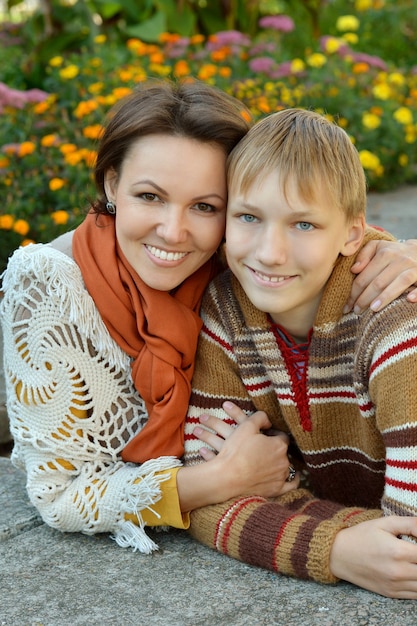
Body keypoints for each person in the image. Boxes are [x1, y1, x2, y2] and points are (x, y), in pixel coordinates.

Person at [1, 80, 417, 555]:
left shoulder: (235, 268)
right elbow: (60, 497)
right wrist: (219, 479)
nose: (174, 232)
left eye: (204, 206)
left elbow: (320, 230)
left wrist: (398, 253)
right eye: (149, 196)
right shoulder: (51, 286)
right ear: (112, 184)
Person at [183, 108, 417, 599]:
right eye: (249, 217)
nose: (269, 252)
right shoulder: (225, 312)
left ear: (352, 233)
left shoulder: (398, 322)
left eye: (304, 225)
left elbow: (407, 549)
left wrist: (281, 498)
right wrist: (337, 548)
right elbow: (205, 490)